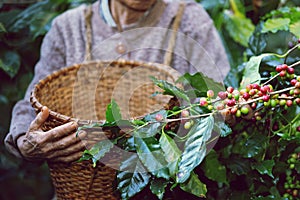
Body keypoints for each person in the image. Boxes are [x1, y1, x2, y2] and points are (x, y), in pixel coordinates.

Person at [5, 0, 230, 164]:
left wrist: (218, 115)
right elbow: (31, 106)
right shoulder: (68, 28)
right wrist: (26, 142)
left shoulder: (190, 21)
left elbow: (217, 97)